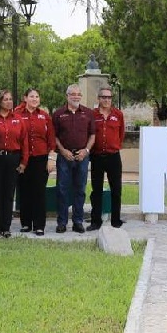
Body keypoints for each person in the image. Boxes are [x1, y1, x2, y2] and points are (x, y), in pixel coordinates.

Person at [53, 84, 95, 233]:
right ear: (67, 96)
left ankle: (78, 222)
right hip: (64, 157)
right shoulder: (58, 114)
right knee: (62, 190)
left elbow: (92, 135)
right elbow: (54, 136)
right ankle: (62, 222)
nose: (76, 97)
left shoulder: (88, 113)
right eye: (73, 94)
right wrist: (63, 151)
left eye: (78, 94)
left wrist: (86, 151)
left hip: (82, 157)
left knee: (80, 190)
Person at [14, 88, 55, 236]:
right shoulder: (17, 115)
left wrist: (51, 158)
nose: (35, 99)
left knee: (39, 192)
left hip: (40, 158)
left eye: (37, 97)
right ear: (25, 98)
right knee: (24, 191)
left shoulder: (44, 116)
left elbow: (51, 139)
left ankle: (39, 225)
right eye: (31, 96)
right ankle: (26, 223)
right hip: (23, 159)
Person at [0, 89, 28, 238]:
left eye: (11, 99)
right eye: (5, 99)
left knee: (9, 193)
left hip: (13, 159)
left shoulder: (18, 118)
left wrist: (23, 162)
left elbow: (24, 141)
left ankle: (6, 227)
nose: (9, 102)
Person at [90, 86, 126, 229]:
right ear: (98, 99)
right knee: (96, 190)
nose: (106, 100)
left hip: (113, 157)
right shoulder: (92, 115)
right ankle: (95, 221)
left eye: (109, 97)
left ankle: (116, 220)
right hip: (97, 156)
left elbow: (121, 134)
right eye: (103, 97)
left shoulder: (118, 115)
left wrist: (114, 145)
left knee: (116, 190)